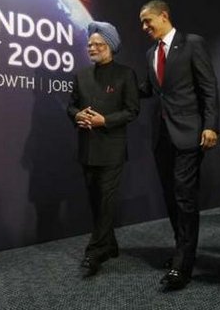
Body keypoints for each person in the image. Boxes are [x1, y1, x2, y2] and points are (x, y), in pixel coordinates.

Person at [139, 0, 219, 290]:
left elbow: (208, 87)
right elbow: (147, 90)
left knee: (185, 197)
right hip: (161, 137)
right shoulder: (150, 53)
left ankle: (183, 266)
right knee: (171, 197)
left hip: (189, 133)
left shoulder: (192, 43)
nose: (144, 27)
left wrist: (211, 125)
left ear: (164, 16)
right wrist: (118, 87)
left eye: (148, 21)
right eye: (142, 23)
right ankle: (181, 252)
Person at [67, 21, 139, 276]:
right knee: (96, 201)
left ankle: (94, 251)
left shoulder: (125, 74)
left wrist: (104, 120)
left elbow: (132, 110)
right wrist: (77, 116)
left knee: (106, 201)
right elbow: (71, 106)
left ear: (110, 45)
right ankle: (110, 244)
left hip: (112, 150)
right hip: (86, 149)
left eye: (97, 44)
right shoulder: (81, 76)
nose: (92, 48)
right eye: (89, 45)